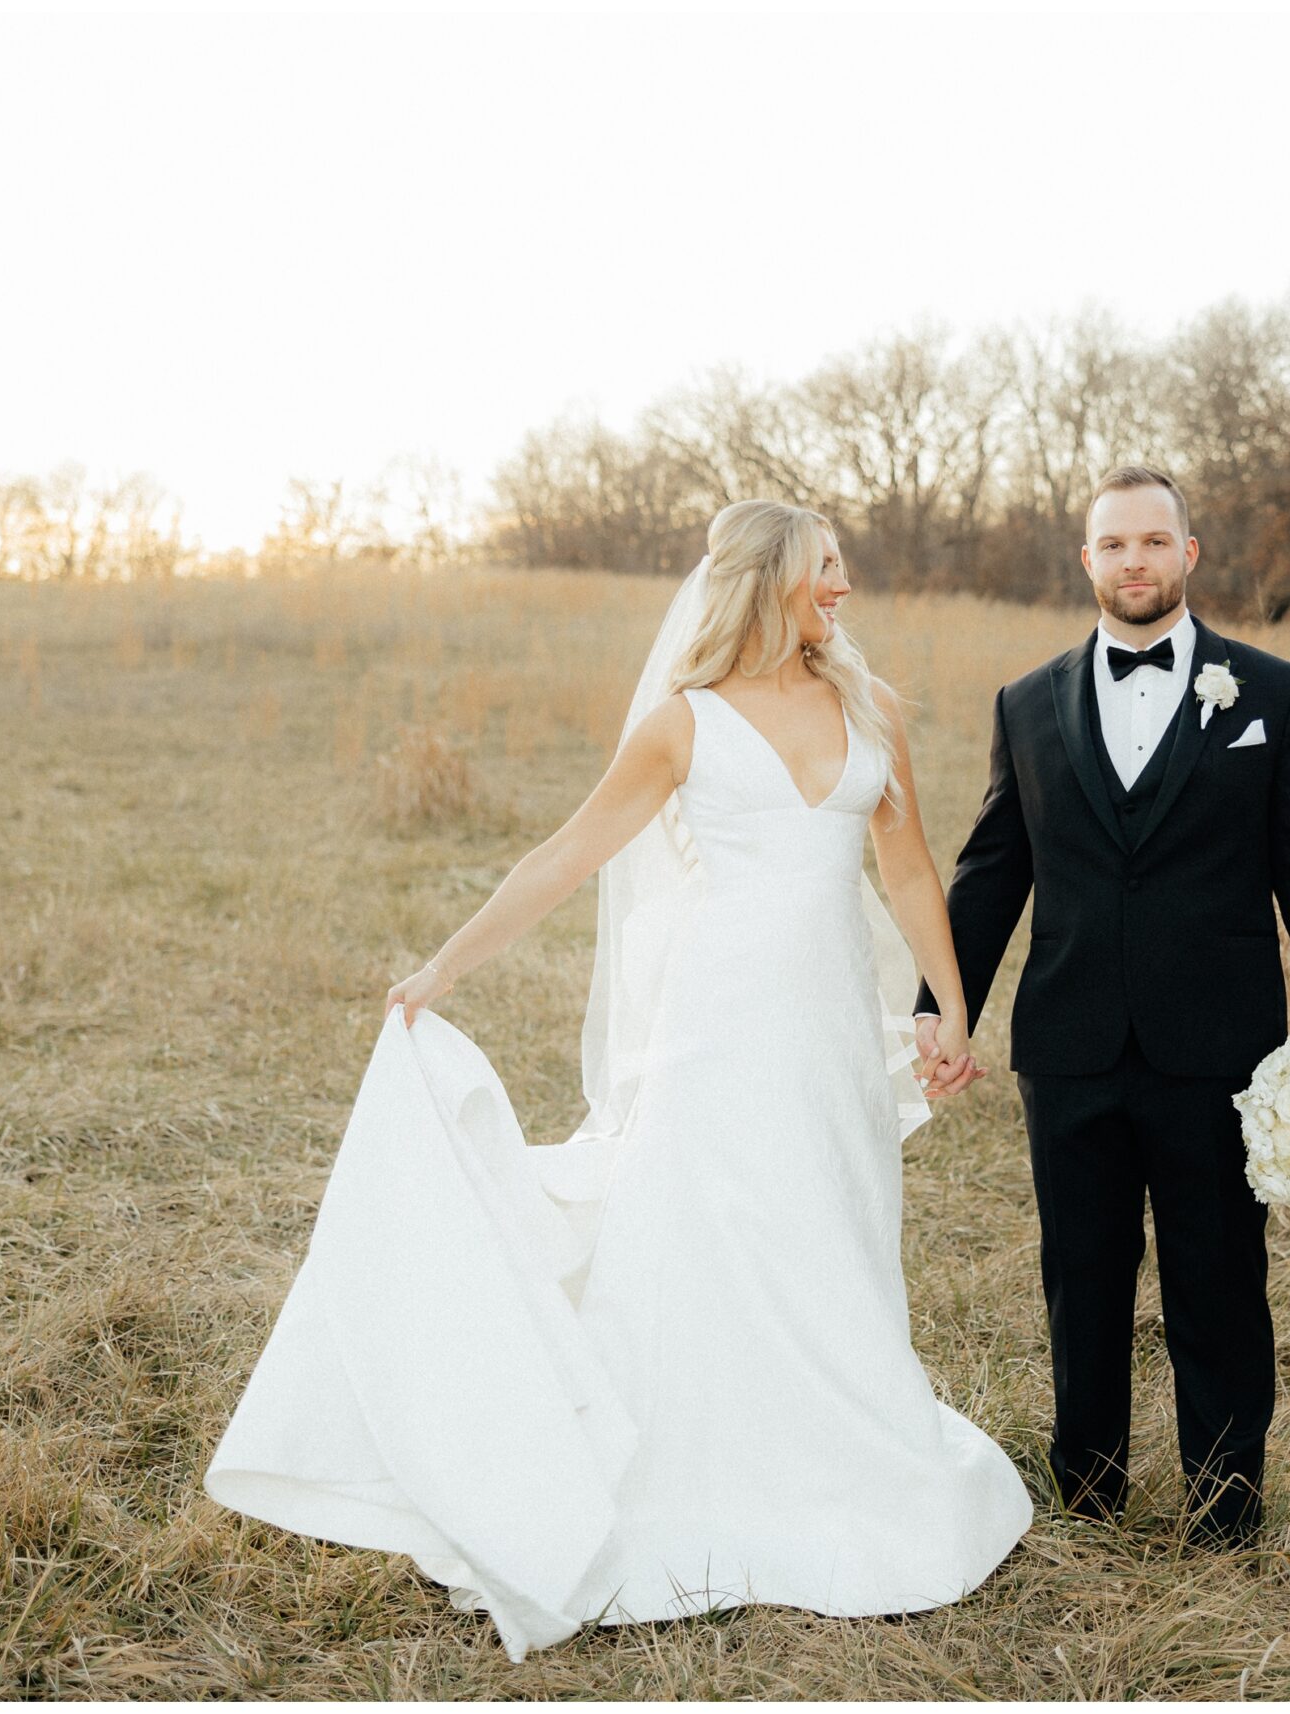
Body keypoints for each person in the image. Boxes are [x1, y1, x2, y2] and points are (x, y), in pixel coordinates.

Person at [206, 500, 1030, 1659]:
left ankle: (844, 1457)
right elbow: (566, 855)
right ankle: (692, 1474)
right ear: (764, 581)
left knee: (831, 1227)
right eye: (824, 571)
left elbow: (904, 870)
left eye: (843, 570)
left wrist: (942, 1006)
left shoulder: (870, 707)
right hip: (713, 1027)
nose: (843, 589)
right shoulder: (681, 727)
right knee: (706, 1232)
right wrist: (442, 966)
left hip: (829, 1030)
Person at [915, 465, 1290, 1550]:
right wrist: (943, 1008)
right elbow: (992, 871)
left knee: (1217, 1280)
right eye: (1112, 544)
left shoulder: (1269, 692)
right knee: (1080, 1275)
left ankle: (1226, 1506)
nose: (1133, 560)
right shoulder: (1027, 702)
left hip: (1217, 1046)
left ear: (1189, 554)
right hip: (1071, 1042)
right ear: (1086, 561)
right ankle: (1086, 1489)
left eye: (1152, 541)